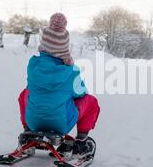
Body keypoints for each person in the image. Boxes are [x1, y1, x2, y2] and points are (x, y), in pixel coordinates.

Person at [18, 13, 100, 155]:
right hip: (61, 123)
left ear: (43, 44)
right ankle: (80, 141)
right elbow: (81, 93)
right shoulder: (70, 71)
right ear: (64, 48)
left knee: (25, 93)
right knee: (91, 101)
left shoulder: (33, 65)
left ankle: (27, 132)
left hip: (33, 121)